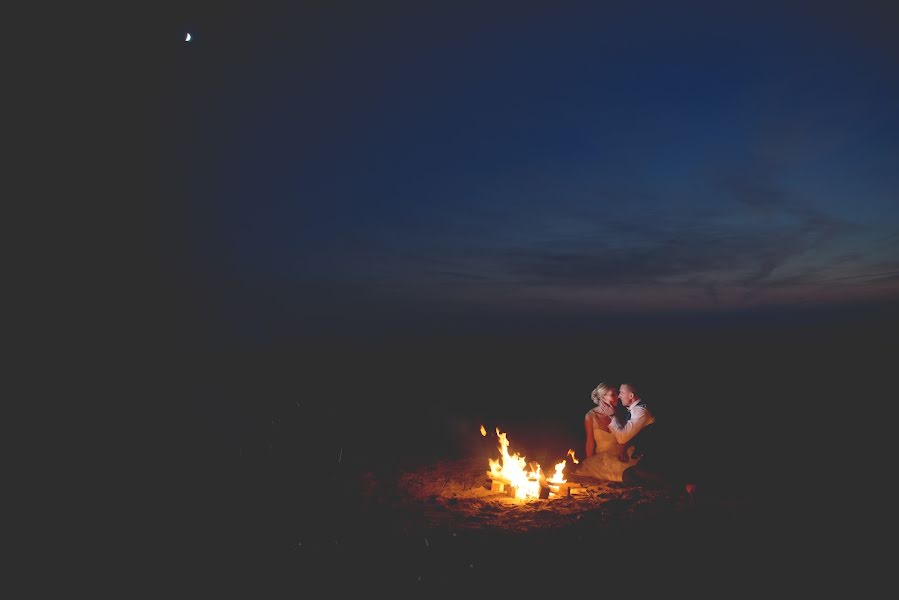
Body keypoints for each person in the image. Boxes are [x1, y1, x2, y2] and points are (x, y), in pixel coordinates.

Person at [573, 383, 639, 482]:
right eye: (613, 395)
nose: (618, 397)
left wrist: (623, 449)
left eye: (617, 394)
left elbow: (627, 436)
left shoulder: (620, 413)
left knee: (636, 466)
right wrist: (588, 463)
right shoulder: (591, 416)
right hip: (604, 457)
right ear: (602, 397)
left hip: (622, 452)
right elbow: (590, 441)